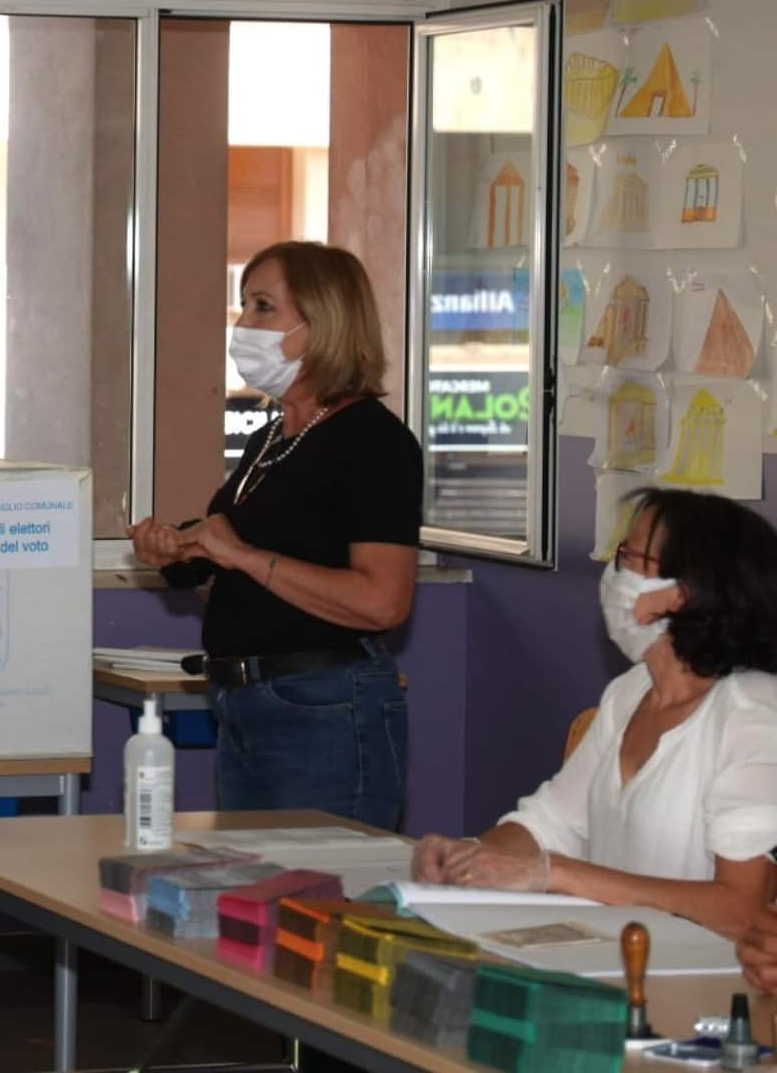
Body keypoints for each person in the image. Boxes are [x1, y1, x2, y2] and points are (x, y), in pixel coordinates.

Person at [126, 240, 421, 829]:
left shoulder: (373, 443)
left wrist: (242, 554)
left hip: (325, 706)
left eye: (264, 307)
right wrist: (179, 551)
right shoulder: (272, 440)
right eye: (243, 306)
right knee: (258, 902)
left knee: (324, 905)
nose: (244, 324)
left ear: (324, 323)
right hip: (245, 704)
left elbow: (383, 601)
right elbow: (250, 573)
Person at [416, 490, 777, 942]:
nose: (613, 572)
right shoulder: (631, 692)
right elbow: (551, 824)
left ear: (683, 593)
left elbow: (743, 909)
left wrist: (559, 874)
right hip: (614, 960)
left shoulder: (755, 713)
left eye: (630, 556)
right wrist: (465, 857)